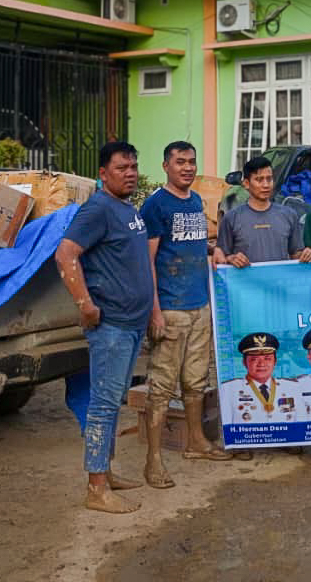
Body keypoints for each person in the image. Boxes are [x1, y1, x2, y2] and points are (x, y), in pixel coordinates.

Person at [54, 141, 151, 515]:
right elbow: (65, 253)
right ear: (103, 173)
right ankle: (96, 488)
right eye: (121, 167)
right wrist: (85, 304)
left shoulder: (125, 207)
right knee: (102, 406)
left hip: (131, 323)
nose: (130, 172)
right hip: (110, 326)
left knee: (113, 404)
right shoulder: (97, 208)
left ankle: (106, 473)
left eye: (133, 166)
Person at [139, 141, 231, 489]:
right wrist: (155, 312)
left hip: (199, 306)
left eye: (192, 162)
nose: (188, 168)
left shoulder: (194, 201)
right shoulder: (155, 206)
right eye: (180, 162)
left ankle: (195, 442)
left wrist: (215, 249)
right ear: (166, 166)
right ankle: (153, 461)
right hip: (171, 309)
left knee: (195, 381)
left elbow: (191, 244)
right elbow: (147, 261)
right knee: (161, 388)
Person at [213, 156, 311, 267]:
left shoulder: (289, 215)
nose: (266, 185)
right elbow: (221, 259)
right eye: (259, 180)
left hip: (280, 283)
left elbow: (296, 255)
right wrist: (231, 258)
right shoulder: (231, 218)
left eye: (269, 179)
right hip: (245, 283)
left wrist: (309, 255)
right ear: (246, 183)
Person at [222, 333, 301, 425]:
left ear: (275, 362)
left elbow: (302, 426)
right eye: (254, 359)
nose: (261, 364)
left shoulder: (292, 387)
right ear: (244, 362)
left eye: (267, 359)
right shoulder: (228, 390)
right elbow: (226, 430)